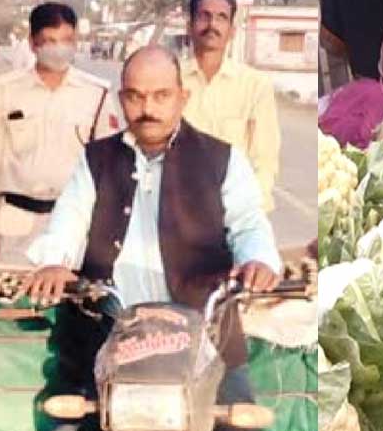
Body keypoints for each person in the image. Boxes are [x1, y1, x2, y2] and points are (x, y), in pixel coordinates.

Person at [23, 45, 281, 430]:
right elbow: (70, 217)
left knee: (242, 422)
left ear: (182, 97)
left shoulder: (222, 158)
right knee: (65, 418)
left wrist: (258, 259)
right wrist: (55, 260)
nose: (148, 107)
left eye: (161, 95)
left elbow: (248, 223)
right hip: (109, 331)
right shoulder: (97, 158)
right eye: (135, 96)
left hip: (205, 336)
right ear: (121, 98)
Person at [0, 2, 120, 265]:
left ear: (76, 40)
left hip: (73, 225)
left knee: (69, 304)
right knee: (11, 303)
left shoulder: (96, 94)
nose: (59, 48)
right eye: (49, 41)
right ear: (32, 43)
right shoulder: (6, 90)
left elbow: (109, 168)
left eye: (66, 40)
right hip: (15, 225)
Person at [180, 0, 280, 212]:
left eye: (221, 18)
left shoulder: (255, 86)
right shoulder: (169, 80)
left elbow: (264, 161)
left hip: (232, 214)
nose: (212, 25)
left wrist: (248, 214)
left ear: (232, 30)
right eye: (204, 16)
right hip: (175, 212)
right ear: (190, 26)